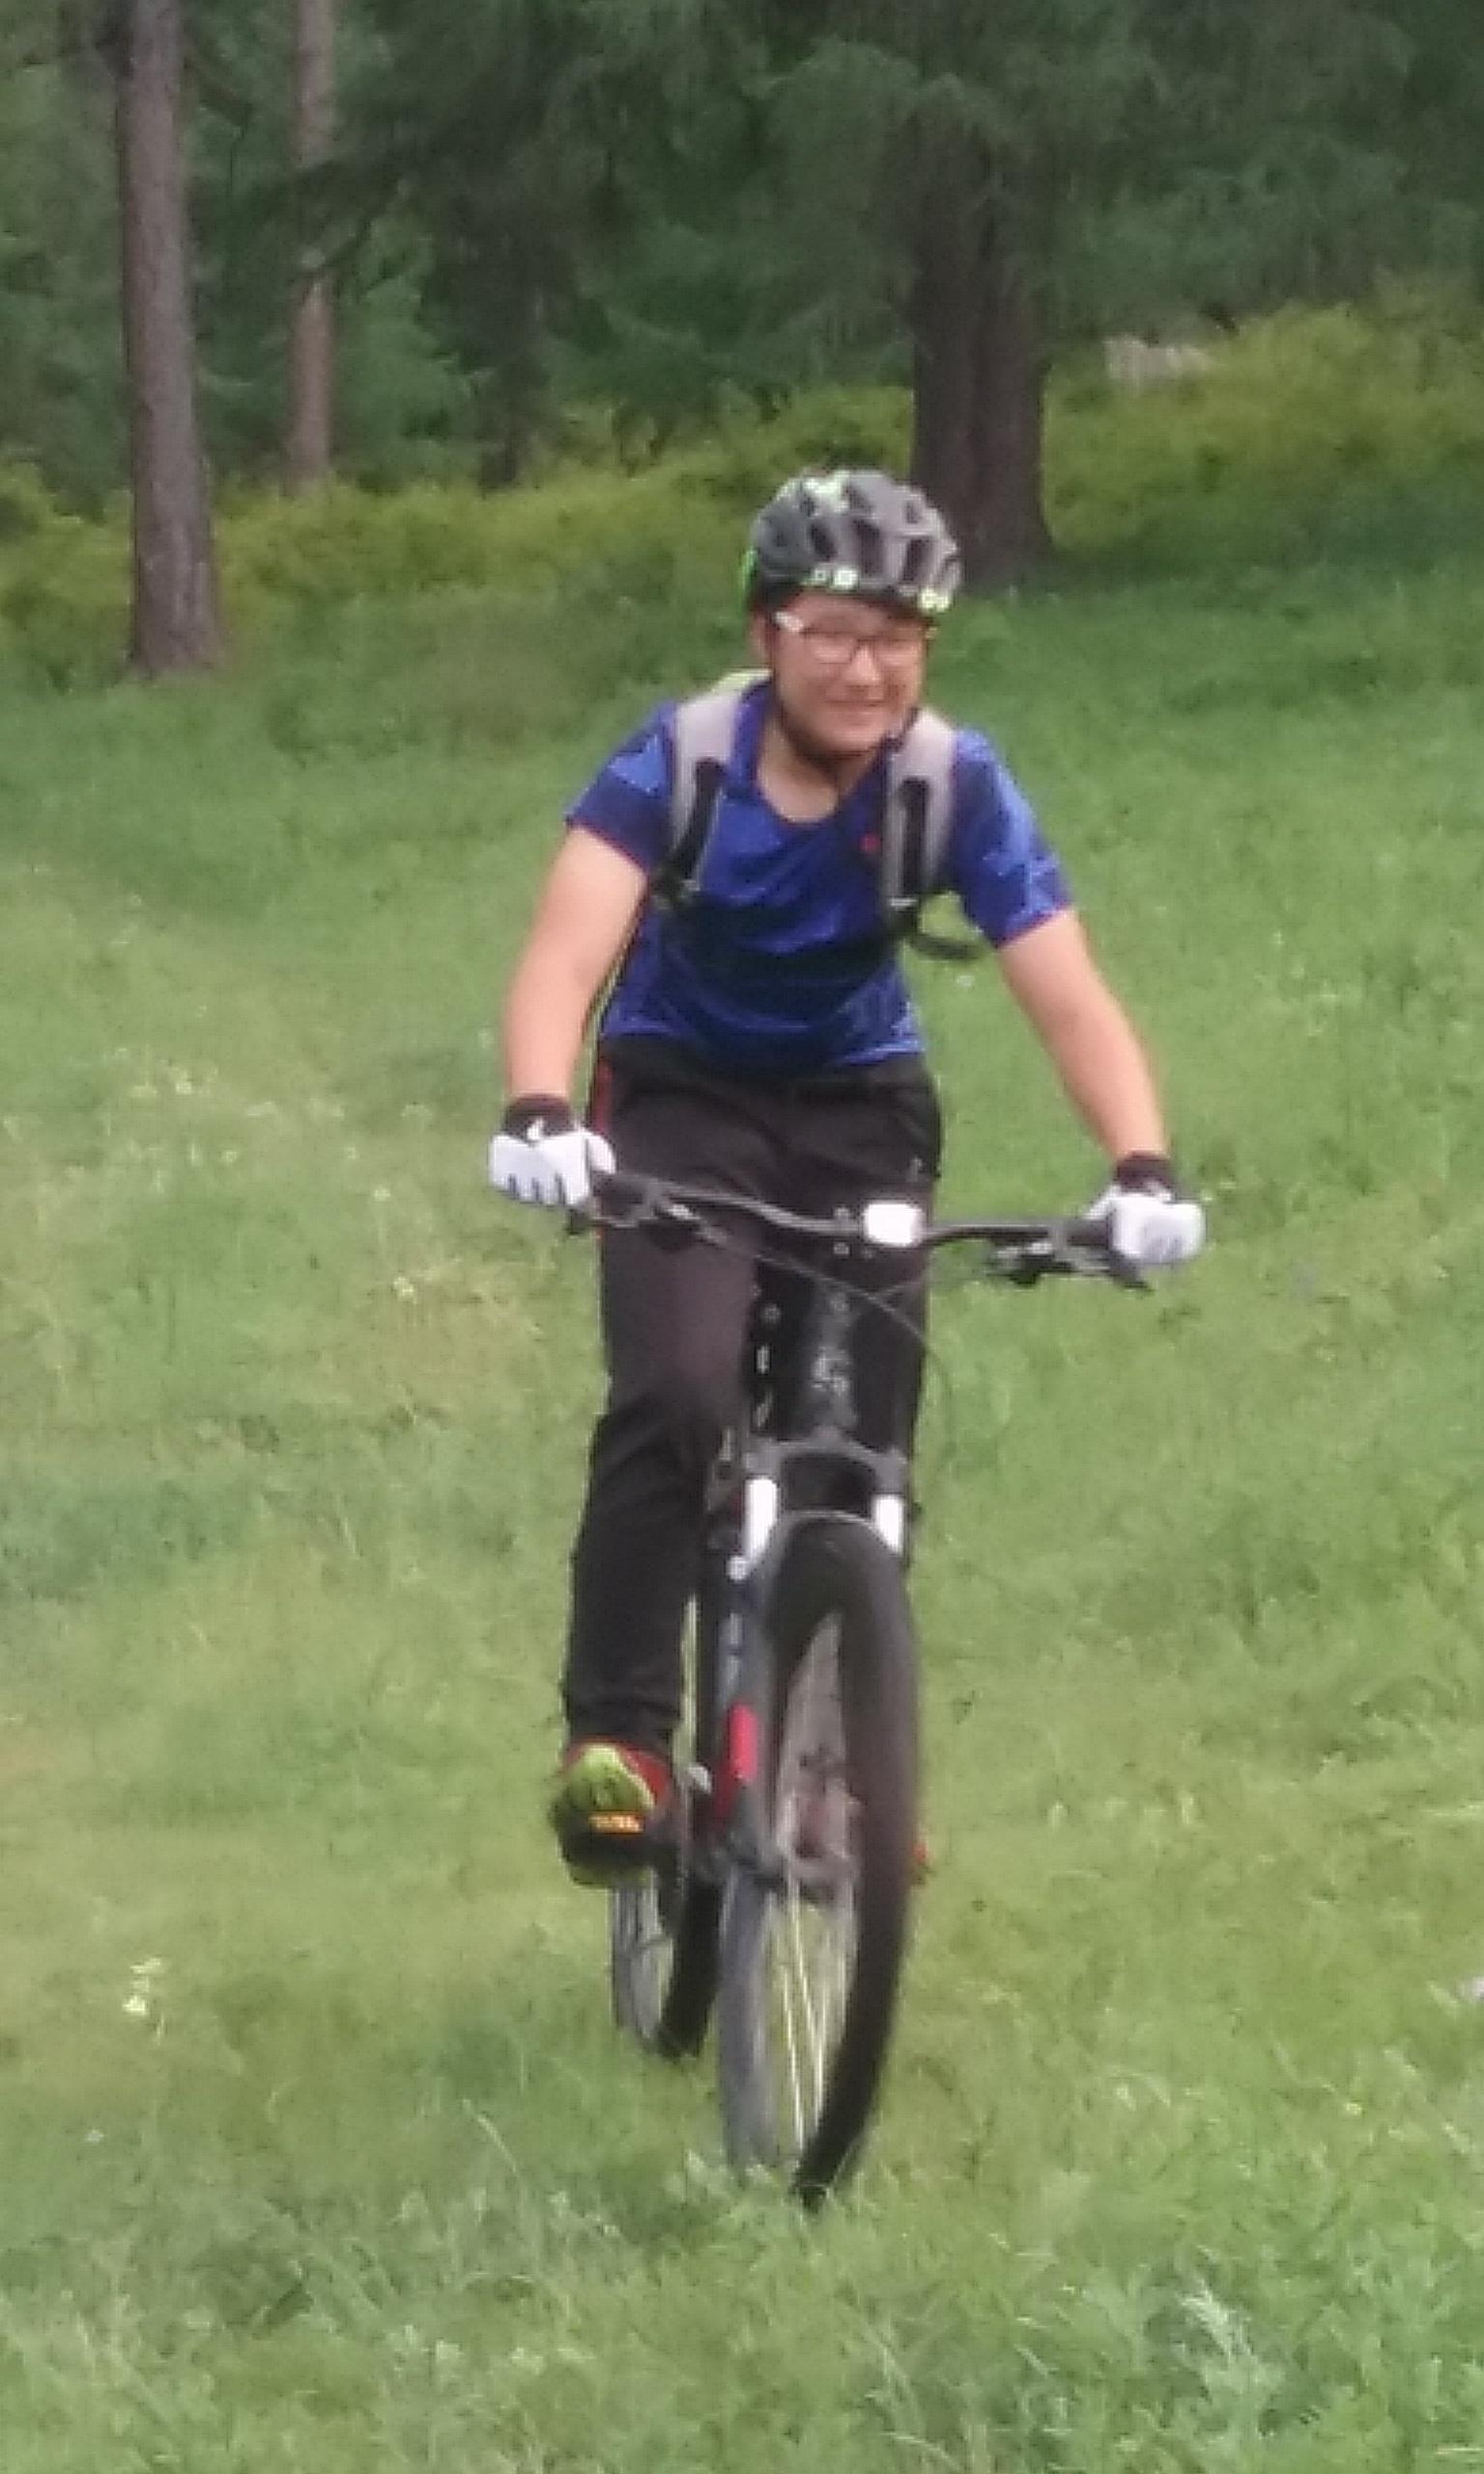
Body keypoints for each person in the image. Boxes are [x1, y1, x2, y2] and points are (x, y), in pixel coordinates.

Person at [489, 469, 1204, 1883]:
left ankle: (831, 1773)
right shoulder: (680, 759)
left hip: (861, 1110)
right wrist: (537, 1110)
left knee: (861, 1450)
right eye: (833, 630)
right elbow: (568, 951)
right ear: (768, 632)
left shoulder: (952, 784)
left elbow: (1066, 992)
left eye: (900, 636)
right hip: (681, 1097)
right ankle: (621, 1742)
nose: (867, 666)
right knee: (679, 1389)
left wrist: (1142, 1167)